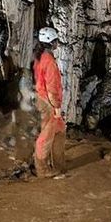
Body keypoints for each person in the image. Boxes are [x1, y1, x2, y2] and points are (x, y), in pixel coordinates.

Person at [33, 26, 67, 177]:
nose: (57, 43)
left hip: (40, 98)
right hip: (47, 102)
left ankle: (59, 164)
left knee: (60, 130)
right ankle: (42, 169)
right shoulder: (49, 62)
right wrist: (56, 107)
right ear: (52, 42)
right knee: (46, 136)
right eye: (56, 41)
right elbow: (52, 88)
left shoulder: (39, 57)